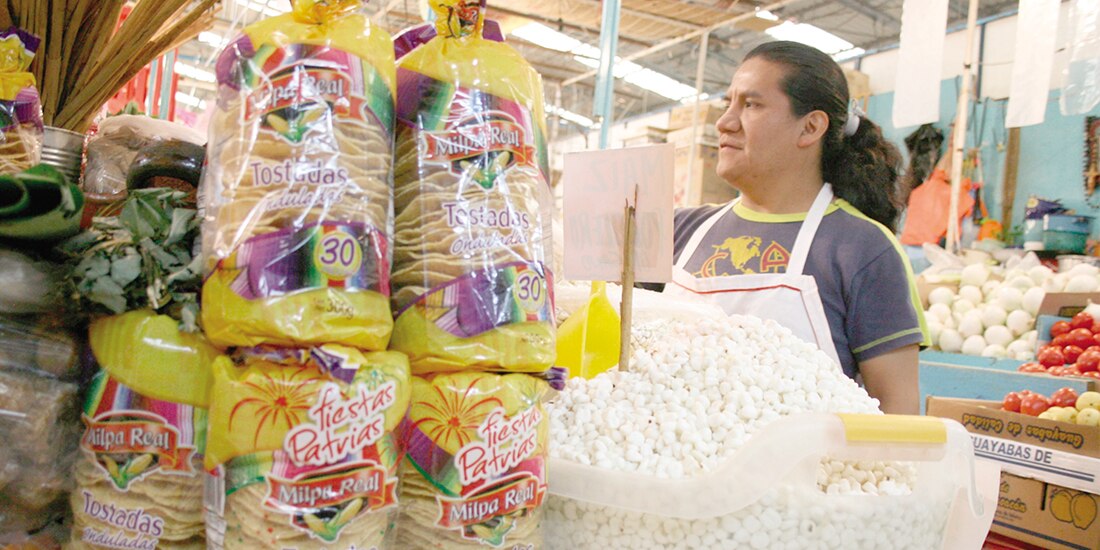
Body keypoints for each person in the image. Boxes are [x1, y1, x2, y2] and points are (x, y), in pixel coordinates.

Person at [665, 41, 928, 414]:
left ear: (810, 127)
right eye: (729, 103)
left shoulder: (864, 250)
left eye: (751, 105)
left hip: (802, 471)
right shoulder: (681, 231)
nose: (724, 122)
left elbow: (898, 419)